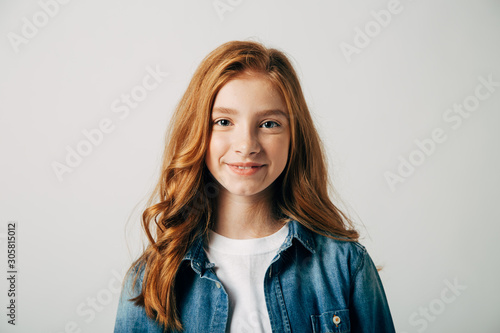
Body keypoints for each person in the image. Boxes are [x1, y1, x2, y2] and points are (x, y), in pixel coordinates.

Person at [113, 40, 395, 333]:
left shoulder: (346, 265)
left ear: (294, 137)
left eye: (269, 124)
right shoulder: (153, 278)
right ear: (196, 133)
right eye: (223, 121)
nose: (246, 146)